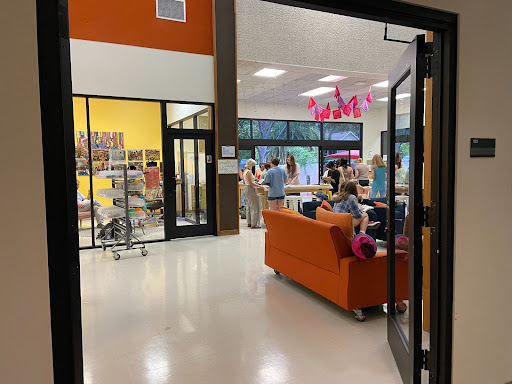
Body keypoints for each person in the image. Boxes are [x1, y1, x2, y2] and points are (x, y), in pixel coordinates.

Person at [243, 159, 264, 228]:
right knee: (255, 206)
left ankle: (249, 222)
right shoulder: (248, 172)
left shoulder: (244, 171)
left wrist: (256, 183)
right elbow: (251, 183)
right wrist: (259, 186)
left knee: (249, 206)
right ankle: (254, 224)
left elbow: (245, 182)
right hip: (250, 189)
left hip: (246, 188)